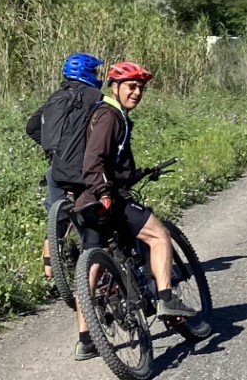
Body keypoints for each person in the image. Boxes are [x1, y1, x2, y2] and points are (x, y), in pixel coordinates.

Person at [73, 60, 211, 352]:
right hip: (108, 198)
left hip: (86, 201)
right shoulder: (111, 116)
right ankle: (166, 298)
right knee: (159, 235)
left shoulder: (104, 113)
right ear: (115, 87)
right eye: (131, 86)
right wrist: (106, 192)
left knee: (92, 266)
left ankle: (86, 340)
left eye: (141, 88)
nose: (136, 92)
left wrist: (136, 174)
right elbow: (94, 160)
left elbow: (109, 163)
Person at [25, 53, 102, 293]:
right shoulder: (95, 97)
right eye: (95, 72)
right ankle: (97, 271)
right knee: (97, 217)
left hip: (56, 168)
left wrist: (55, 151)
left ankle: (50, 276)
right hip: (83, 170)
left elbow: (32, 126)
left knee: (55, 216)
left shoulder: (56, 97)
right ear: (87, 73)